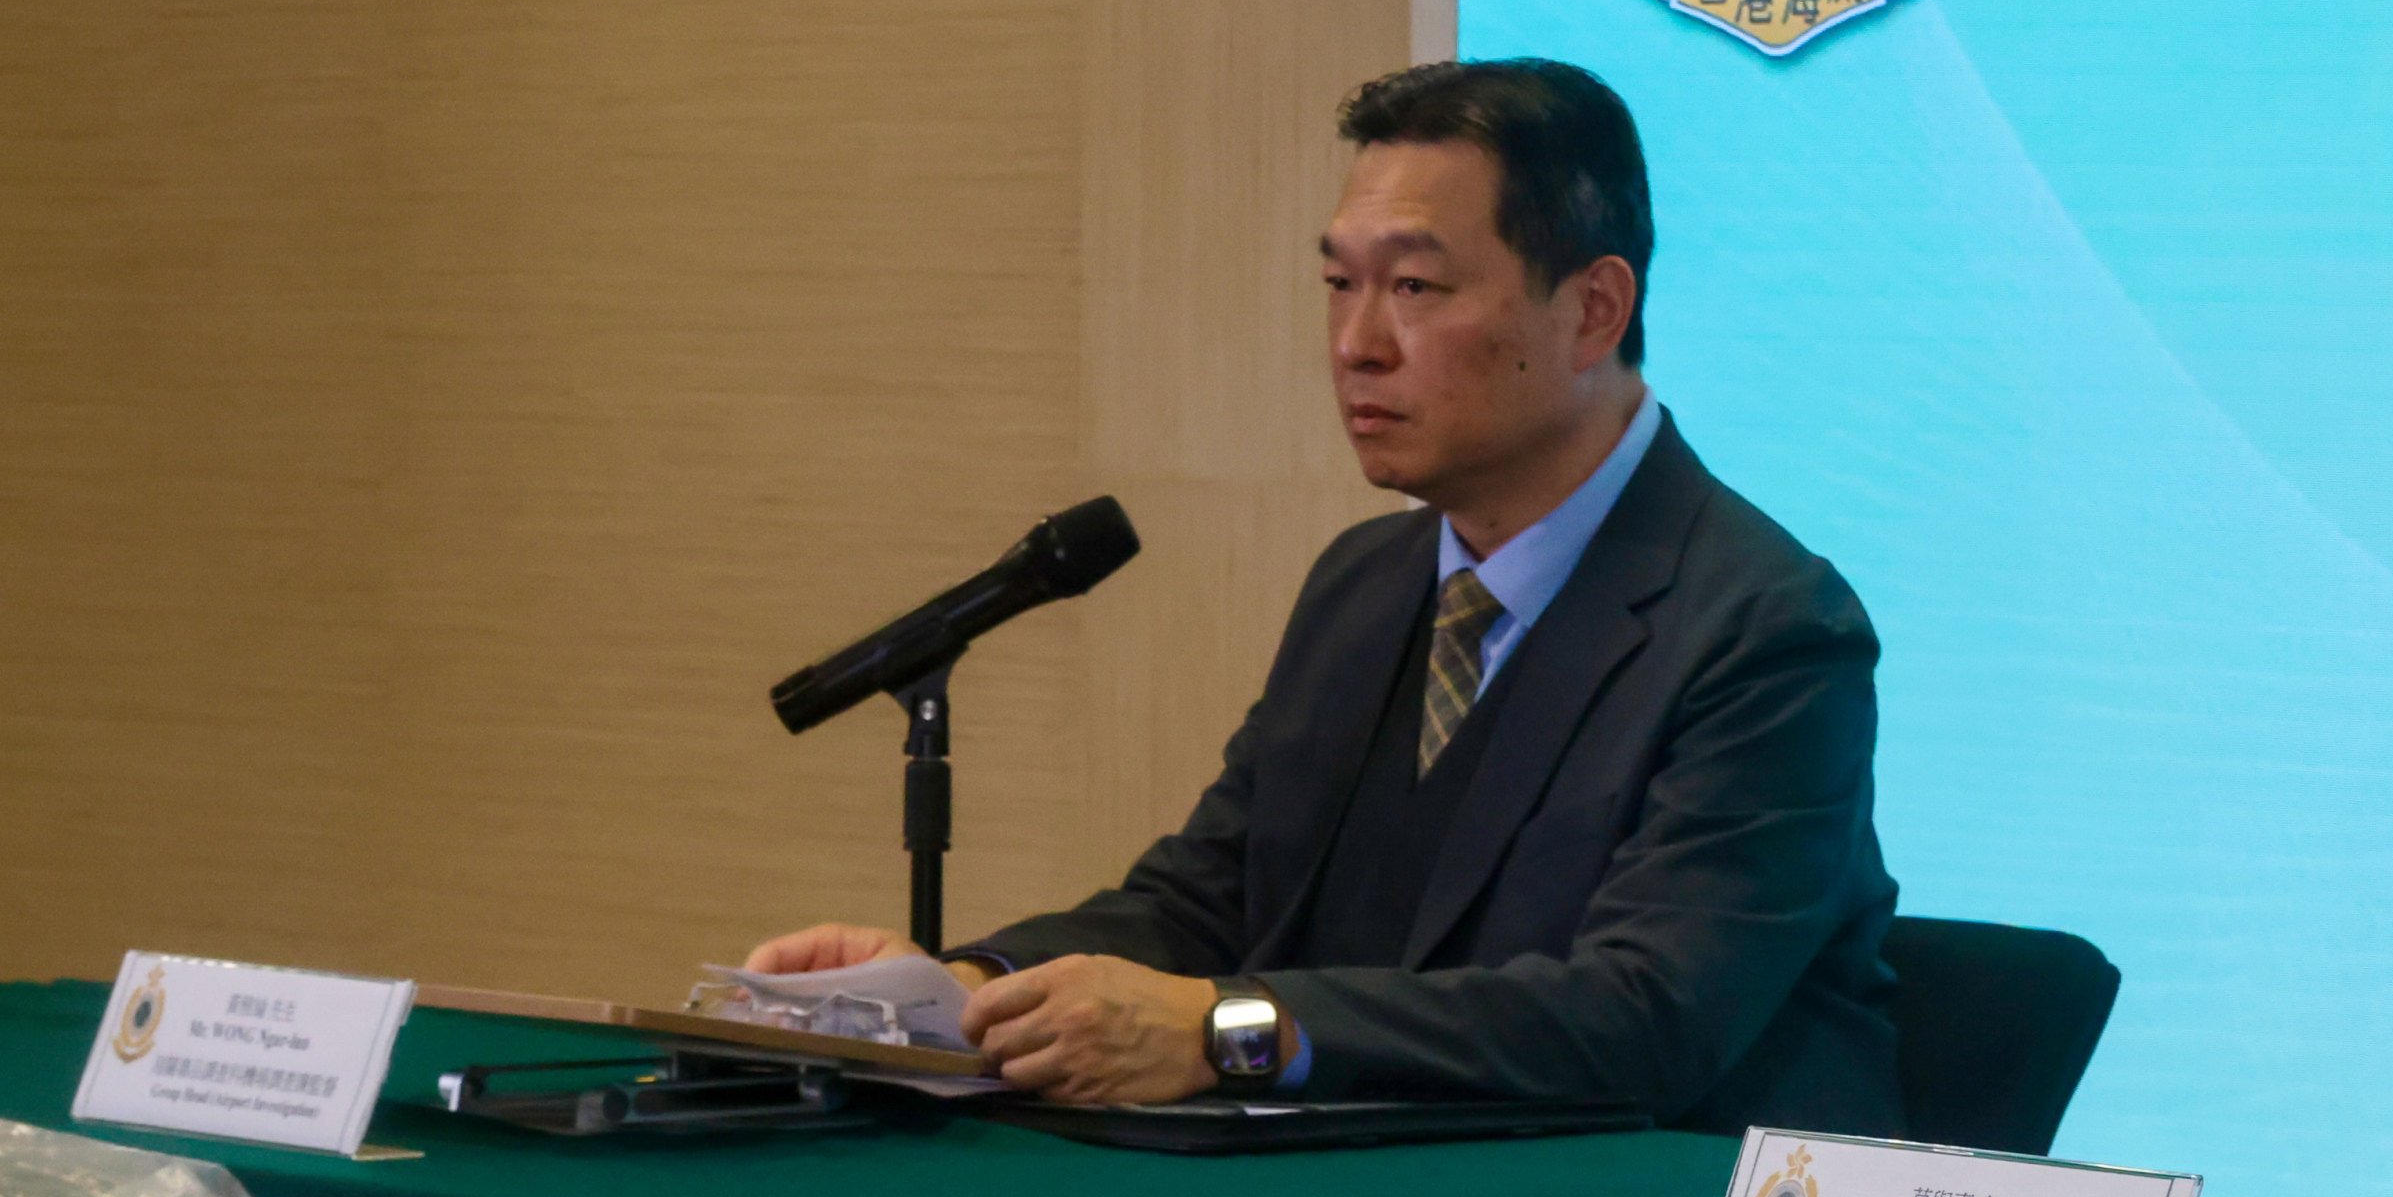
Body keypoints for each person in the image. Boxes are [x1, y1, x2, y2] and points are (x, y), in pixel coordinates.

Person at [746, 59, 1900, 1132]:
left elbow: (1647, 1016)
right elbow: (1216, 898)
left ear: (1594, 309)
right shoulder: (1366, 583)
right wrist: (960, 991)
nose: (1356, 344)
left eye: (1413, 286)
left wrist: (1228, 1032)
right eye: (1339, 283)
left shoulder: (1767, 626)